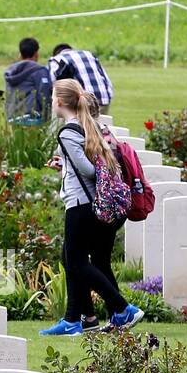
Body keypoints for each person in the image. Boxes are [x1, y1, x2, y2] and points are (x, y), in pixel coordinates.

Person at [40, 79, 143, 336]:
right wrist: (65, 165)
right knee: (71, 258)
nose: (52, 101)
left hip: (80, 203)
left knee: (76, 262)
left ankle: (122, 308)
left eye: (53, 97)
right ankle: (78, 319)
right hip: (92, 202)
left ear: (62, 102)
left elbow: (87, 169)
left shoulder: (67, 132)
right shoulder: (91, 126)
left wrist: (71, 165)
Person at [48, 44, 114, 114]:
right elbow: (105, 77)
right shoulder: (89, 54)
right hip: (104, 99)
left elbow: (51, 83)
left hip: (84, 103)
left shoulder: (57, 59)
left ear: (56, 54)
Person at [3, 37, 51, 125]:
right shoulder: (40, 71)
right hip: (33, 119)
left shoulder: (10, 71)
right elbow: (44, 95)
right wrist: (47, 118)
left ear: (20, 54)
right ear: (36, 53)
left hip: (12, 118)